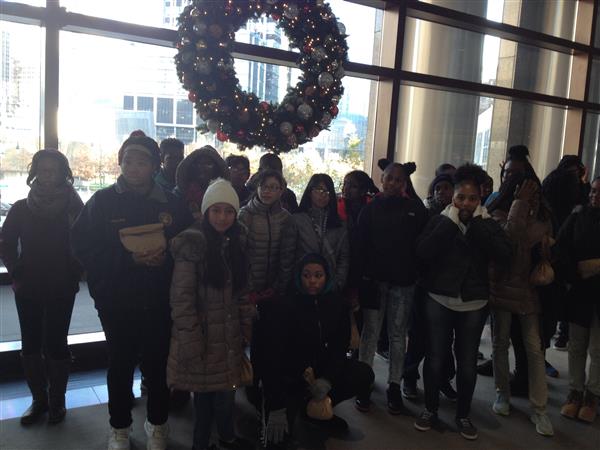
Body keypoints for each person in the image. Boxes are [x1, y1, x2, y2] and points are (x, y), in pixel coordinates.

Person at [71, 135, 192, 450]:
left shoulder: (171, 203)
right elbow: (83, 247)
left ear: (154, 166)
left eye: (142, 162)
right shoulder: (102, 202)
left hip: (160, 299)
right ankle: (119, 427)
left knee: (157, 363)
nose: (134, 168)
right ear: (120, 163)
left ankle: (158, 424)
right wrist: (129, 260)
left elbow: (188, 244)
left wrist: (168, 256)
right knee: (120, 363)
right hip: (117, 300)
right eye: (128, 161)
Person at [413, 163, 510, 440]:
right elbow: (423, 252)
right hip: (439, 298)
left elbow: (505, 254)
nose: (466, 203)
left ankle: (463, 414)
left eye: (472, 198)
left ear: (480, 198)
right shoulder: (441, 219)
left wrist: (478, 225)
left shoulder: (487, 223)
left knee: (467, 362)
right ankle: (430, 409)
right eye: (460, 197)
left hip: (474, 303)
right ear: (452, 197)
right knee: (435, 357)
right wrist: (450, 222)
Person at [167, 178, 255, 450]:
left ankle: (227, 438)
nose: (222, 217)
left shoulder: (236, 243)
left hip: (228, 337)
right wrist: (191, 339)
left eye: (229, 211)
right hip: (203, 338)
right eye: (216, 210)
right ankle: (200, 445)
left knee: (227, 394)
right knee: (204, 400)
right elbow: (181, 300)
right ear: (206, 211)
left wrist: (246, 327)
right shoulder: (192, 245)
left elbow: (242, 293)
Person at [0, 149, 83, 425]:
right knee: (31, 343)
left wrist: (76, 270)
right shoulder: (21, 207)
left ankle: (57, 400)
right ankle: (39, 399)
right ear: (34, 172)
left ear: (63, 174)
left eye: (53, 170)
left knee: (56, 343)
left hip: (62, 285)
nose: (47, 175)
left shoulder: (74, 207)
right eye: (42, 169)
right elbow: (6, 243)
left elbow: (86, 240)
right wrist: (15, 269)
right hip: (28, 287)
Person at [260, 253, 374, 448]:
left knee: (363, 373)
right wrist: (276, 405)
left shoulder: (336, 304)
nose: (312, 281)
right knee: (277, 441)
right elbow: (271, 358)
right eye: (306, 275)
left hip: (319, 370)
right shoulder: (284, 306)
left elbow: (339, 348)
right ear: (298, 277)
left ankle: (315, 409)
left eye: (318, 275)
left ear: (327, 277)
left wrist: (327, 379)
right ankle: (293, 408)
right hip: (289, 375)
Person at [487, 146, 555, 436]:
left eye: (517, 173)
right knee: (500, 343)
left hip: (529, 291)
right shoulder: (496, 207)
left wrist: (529, 208)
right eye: (507, 172)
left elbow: (536, 242)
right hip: (502, 286)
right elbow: (509, 241)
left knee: (534, 349)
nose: (512, 177)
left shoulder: (542, 210)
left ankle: (540, 408)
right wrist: (519, 204)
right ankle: (502, 393)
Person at [356, 162, 428, 414]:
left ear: (404, 183)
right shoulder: (370, 209)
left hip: (403, 283)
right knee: (370, 333)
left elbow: (422, 244)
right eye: (389, 178)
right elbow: (360, 246)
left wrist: (415, 272)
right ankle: (364, 382)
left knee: (398, 335)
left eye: (398, 180)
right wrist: (361, 279)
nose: (393, 183)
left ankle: (394, 385)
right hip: (374, 282)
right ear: (382, 179)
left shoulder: (415, 209)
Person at [238, 169, 293, 408]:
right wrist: (248, 290)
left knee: (267, 340)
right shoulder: (245, 215)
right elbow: (239, 256)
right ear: (257, 187)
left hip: (274, 290)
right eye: (264, 186)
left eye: (274, 187)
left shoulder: (285, 218)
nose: (268, 191)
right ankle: (247, 381)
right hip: (248, 290)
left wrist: (278, 286)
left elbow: (287, 256)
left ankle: (262, 380)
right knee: (246, 337)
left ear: (281, 190)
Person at [403, 172, 456, 401]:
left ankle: (443, 379)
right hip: (425, 284)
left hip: (449, 287)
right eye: (438, 188)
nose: (442, 192)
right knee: (418, 335)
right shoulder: (426, 214)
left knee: (445, 338)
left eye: (447, 188)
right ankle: (409, 377)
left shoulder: (462, 216)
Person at [557, 176, 600, 423]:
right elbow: (561, 248)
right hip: (580, 291)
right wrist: (575, 272)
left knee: (598, 349)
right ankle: (575, 392)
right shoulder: (577, 217)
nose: (595, 196)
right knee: (576, 345)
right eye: (593, 191)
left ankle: (592, 396)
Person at [543, 155, 591, 351]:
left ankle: (553, 335)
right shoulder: (575, 184)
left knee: (551, 292)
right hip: (569, 242)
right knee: (567, 288)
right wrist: (584, 182)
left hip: (551, 239)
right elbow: (583, 204)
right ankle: (563, 334)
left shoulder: (550, 180)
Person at [280, 174, 349, 293]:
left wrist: (338, 283)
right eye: (318, 190)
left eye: (327, 191)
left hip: (330, 286)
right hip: (301, 284)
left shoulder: (339, 224)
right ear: (310, 192)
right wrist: (287, 285)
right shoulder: (296, 220)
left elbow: (344, 258)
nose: (323, 195)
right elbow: (287, 257)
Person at [337, 171, 379, 355]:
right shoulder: (337, 206)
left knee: (362, 318)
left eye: (352, 186)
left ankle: (358, 357)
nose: (346, 188)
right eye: (345, 183)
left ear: (363, 190)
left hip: (365, 269)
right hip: (343, 266)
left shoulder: (372, 207)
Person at [174, 145, 229, 220]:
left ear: (216, 168)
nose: (202, 168)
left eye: (208, 164)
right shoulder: (180, 192)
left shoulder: (225, 193)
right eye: (198, 163)